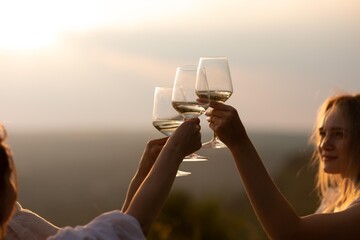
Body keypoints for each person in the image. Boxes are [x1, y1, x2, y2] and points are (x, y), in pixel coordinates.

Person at [0, 118, 202, 239]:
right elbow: (126, 231)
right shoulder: (12, 225)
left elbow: (119, 233)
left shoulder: (11, 226)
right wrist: (174, 150)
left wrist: (144, 174)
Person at [205, 93, 360, 239]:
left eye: (338, 134)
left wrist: (239, 143)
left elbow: (291, 234)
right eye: (323, 133)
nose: (324, 143)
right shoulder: (334, 199)